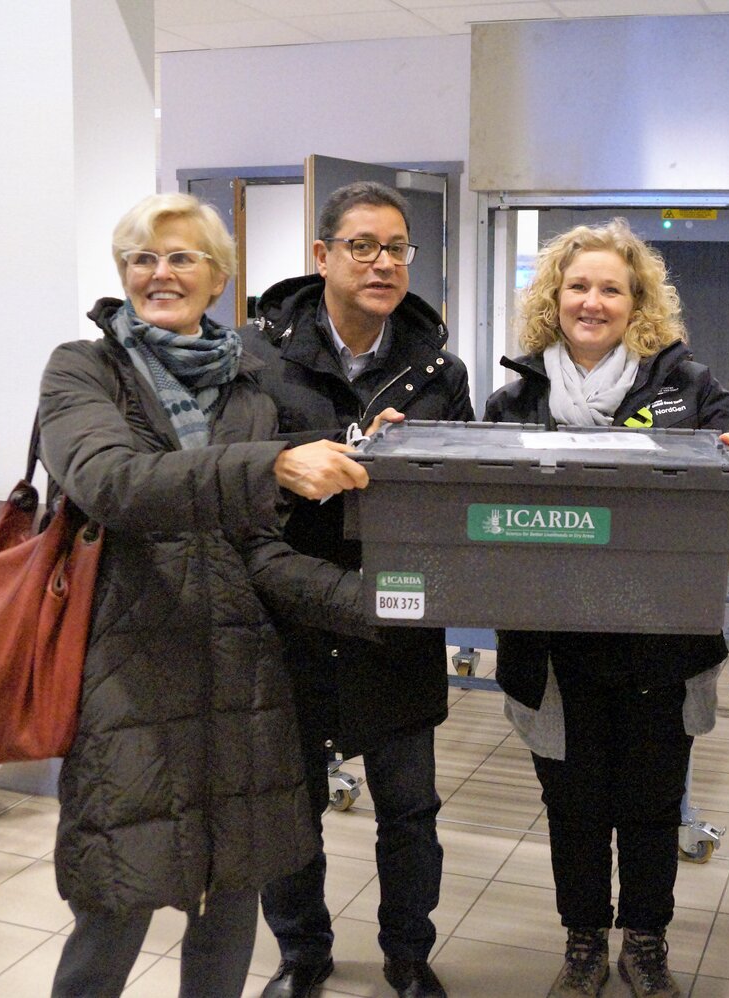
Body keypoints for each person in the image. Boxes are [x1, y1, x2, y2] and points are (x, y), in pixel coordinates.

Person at [39, 192, 377, 997]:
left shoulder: (247, 387)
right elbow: (109, 482)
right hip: (127, 681)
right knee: (116, 902)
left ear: (217, 277)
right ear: (122, 273)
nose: (161, 274)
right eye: (143, 259)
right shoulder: (84, 370)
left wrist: (379, 604)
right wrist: (270, 467)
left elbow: (255, 549)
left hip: (241, 686)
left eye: (183, 257)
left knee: (230, 904)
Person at [483, 219, 729, 998]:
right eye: (578, 286)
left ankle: (647, 941)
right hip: (554, 650)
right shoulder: (514, 398)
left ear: (638, 302)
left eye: (611, 288)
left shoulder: (687, 387)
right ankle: (583, 942)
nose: (592, 301)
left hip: (657, 645)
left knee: (652, 803)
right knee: (572, 807)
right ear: (553, 298)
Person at [243, 180, 473, 998]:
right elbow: (242, 490)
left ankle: (408, 954)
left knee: (409, 810)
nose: (383, 263)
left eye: (398, 248)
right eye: (363, 246)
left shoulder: (439, 368)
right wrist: (339, 452)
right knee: (288, 808)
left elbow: (457, 497)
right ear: (322, 256)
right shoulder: (256, 358)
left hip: (399, 612)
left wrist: (414, 461)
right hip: (289, 618)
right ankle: (302, 954)